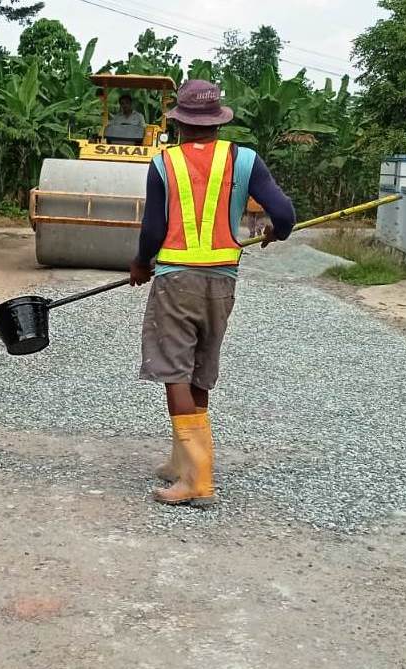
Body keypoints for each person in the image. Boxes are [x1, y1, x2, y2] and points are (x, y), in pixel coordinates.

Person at [129, 79, 296, 507]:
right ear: (218, 121)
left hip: (175, 279)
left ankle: (197, 482)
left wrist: (140, 264)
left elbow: (152, 229)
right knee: (200, 368)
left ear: (180, 122)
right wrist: (276, 232)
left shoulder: (164, 164)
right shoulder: (245, 160)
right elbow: (284, 214)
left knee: (175, 372)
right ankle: (183, 463)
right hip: (222, 280)